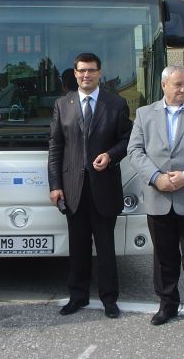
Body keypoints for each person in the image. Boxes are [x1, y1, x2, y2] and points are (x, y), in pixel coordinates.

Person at [127, 65, 184, 333]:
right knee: (164, 257)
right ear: (164, 85)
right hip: (159, 198)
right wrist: (157, 177)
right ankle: (167, 304)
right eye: (178, 85)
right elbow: (135, 150)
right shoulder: (145, 115)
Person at [48, 53, 132, 317]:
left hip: (104, 187)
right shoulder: (63, 105)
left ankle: (109, 300)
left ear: (100, 73)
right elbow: (55, 147)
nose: (86, 75)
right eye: (81, 70)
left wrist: (110, 155)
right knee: (79, 247)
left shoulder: (116, 103)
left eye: (91, 70)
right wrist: (55, 185)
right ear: (74, 73)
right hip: (73, 189)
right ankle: (78, 296)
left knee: (106, 248)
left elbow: (128, 139)